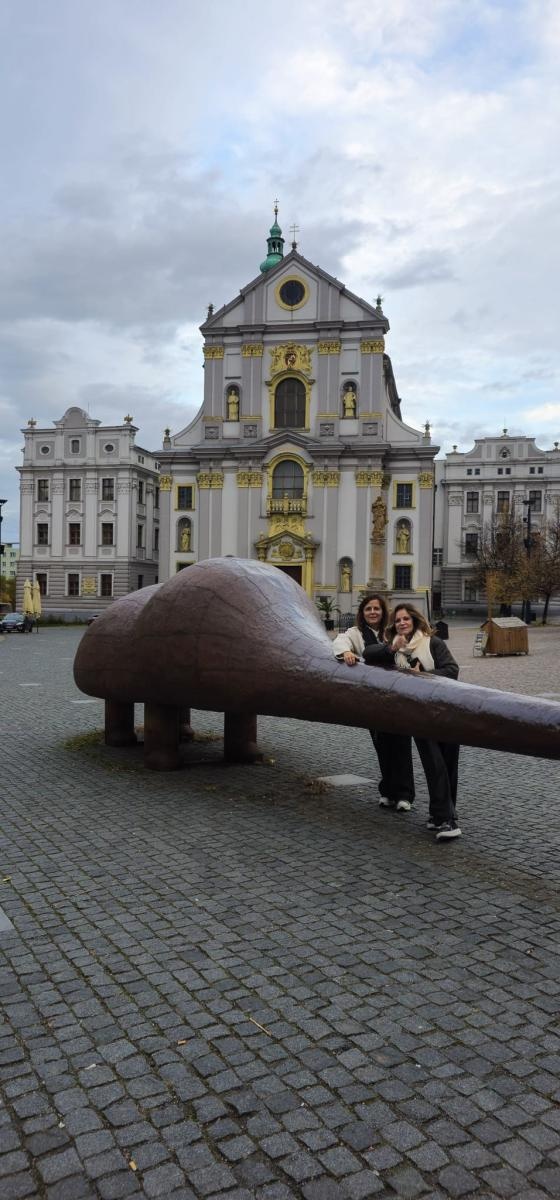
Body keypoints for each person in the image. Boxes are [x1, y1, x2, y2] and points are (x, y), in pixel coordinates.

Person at [364, 604, 461, 841]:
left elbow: (452, 670)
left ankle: (442, 816)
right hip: (421, 715)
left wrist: (424, 675)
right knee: (435, 766)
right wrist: (391, 647)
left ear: (415, 621)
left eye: (406, 618)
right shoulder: (395, 651)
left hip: (446, 711)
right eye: (398, 620)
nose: (402, 623)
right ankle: (445, 820)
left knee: (447, 767)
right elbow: (368, 654)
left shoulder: (431, 643)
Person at [332, 594, 415, 812]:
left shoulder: (391, 631)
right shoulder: (356, 633)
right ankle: (387, 791)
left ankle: (405, 794)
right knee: (382, 745)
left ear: (383, 611)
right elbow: (340, 640)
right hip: (374, 696)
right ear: (362, 613)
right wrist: (347, 651)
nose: (372, 612)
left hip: (398, 693)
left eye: (376, 609)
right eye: (368, 609)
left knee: (401, 744)